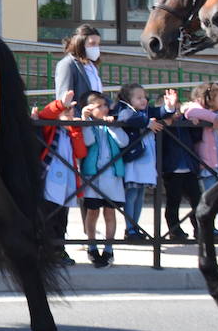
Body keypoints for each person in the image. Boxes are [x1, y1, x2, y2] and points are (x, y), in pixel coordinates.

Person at [113, 84, 178, 242]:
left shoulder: (146, 111)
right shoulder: (124, 109)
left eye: (144, 97)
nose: (143, 100)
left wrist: (169, 106)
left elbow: (160, 112)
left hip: (147, 158)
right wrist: (147, 123)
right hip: (134, 159)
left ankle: (136, 227)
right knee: (132, 194)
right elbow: (127, 118)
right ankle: (130, 228)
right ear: (128, 99)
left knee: (140, 194)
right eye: (139, 98)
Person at [77, 92, 128, 267]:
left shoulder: (112, 124)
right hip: (93, 175)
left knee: (109, 212)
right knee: (92, 211)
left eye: (105, 105)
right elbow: (88, 141)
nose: (105, 109)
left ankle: (109, 248)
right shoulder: (89, 125)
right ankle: (92, 245)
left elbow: (124, 142)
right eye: (99, 106)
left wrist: (114, 127)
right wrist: (86, 122)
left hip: (112, 175)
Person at [35, 91, 85, 265]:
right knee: (47, 217)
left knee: (62, 219)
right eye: (66, 112)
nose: (70, 114)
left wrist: (76, 130)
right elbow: (45, 115)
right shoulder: (51, 129)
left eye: (72, 111)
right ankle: (45, 251)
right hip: (49, 181)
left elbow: (80, 152)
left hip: (67, 183)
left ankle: (59, 250)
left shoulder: (71, 132)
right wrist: (60, 104)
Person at [187, 82, 218, 238]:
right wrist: (216, 119)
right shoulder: (200, 112)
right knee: (209, 197)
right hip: (208, 163)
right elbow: (190, 110)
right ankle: (210, 227)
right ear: (209, 99)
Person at [163, 85, 209, 241]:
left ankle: (199, 229)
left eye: (177, 108)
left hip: (189, 168)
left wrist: (195, 124)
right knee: (173, 202)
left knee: (197, 201)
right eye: (172, 109)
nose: (175, 113)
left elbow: (196, 138)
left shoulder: (185, 120)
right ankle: (175, 230)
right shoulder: (164, 124)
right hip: (172, 169)